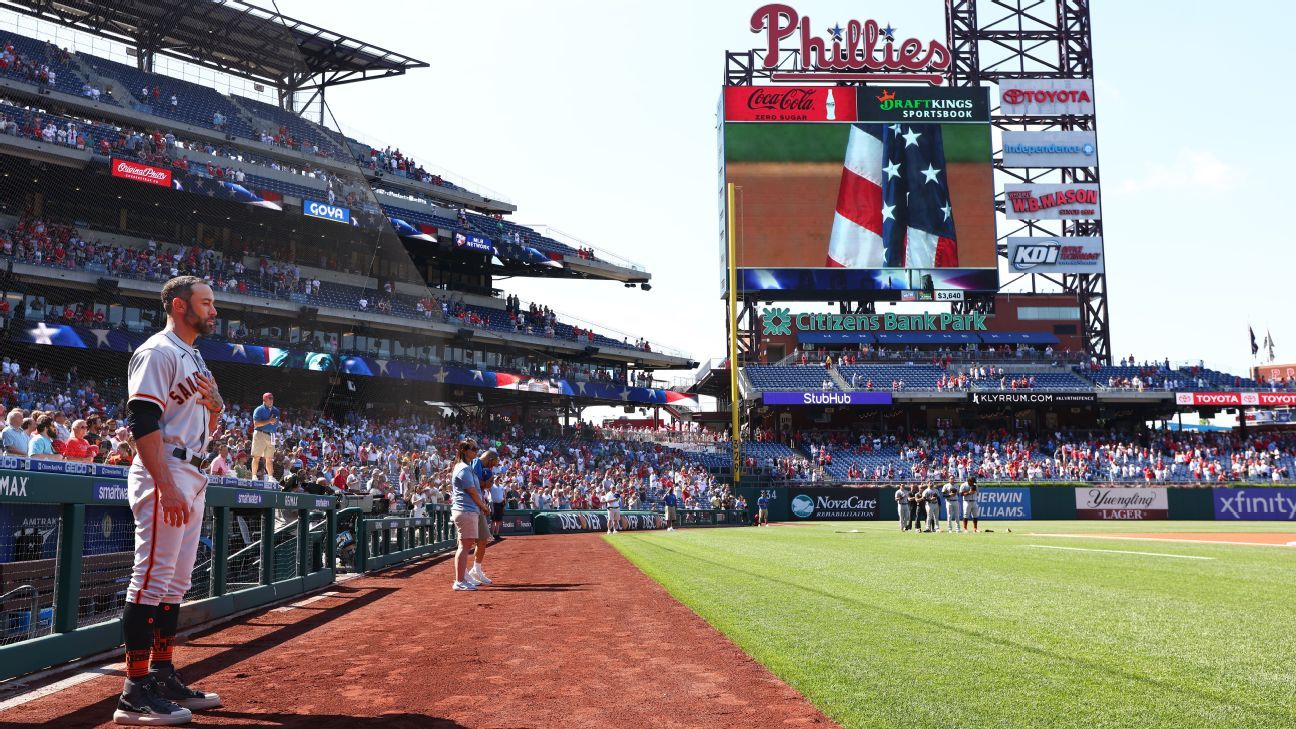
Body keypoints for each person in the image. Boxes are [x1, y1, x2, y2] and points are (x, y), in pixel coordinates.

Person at [114, 276, 222, 725]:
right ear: (180, 306)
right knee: (150, 581)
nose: (214, 311)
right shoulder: (158, 351)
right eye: (206, 303)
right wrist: (166, 485)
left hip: (192, 469)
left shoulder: (194, 355)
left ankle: (162, 673)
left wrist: (216, 407)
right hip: (167, 472)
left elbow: (206, 426)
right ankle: (133, 691)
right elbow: (142, 420)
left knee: (174, 585)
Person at [450, 439, 489, 592]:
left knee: (464, 546)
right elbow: (472, 491)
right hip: (466, 510)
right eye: (473, 448)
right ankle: (459, 581)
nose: (476, 451)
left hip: (467, 510)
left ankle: (462, 578)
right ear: (465, 451)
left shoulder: (466, 467)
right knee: (464, 546)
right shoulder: (463, 469)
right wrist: (483, 506)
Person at [466, 448, 499, 585]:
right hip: (471, 506)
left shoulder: (482, 466)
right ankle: (463, 574)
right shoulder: (476, 463)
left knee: (483, 539)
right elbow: (475, 484)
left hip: (478, 505)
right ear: (489, 458)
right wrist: (488, 482)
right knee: (467, 542)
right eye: (493, 463)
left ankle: (476, 569)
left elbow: (482, 486)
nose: (492, 467)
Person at [250, 392, 278, 481]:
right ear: (264, 400)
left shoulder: (276, 410)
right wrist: (268, 421)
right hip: (260, 434)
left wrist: (271, 424)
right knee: (256, 456)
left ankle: (270, 477)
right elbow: (256, 424)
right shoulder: (259, 409)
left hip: (272, 435)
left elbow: (275, 424)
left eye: (272, 398)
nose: (271, 400)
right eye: (269, 398)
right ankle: (254, 476)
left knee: (269, 458)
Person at [488, 453, 506, 541]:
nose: (498, 480)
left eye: (498, 479)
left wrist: (504, 501)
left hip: (500, 504)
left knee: (498, 521)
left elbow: (503, 495)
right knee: (493, 521)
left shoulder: (502, 486)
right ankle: (491, 535)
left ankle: (497, 534)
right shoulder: (491, 486)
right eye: (496, 479)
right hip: (494, 504)